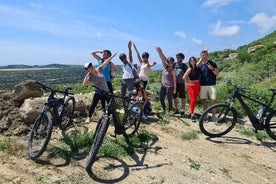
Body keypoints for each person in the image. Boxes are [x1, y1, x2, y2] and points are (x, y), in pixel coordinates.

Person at [83, 52, 117, 123]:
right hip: (98, 92)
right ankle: (89, 117)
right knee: (93, 104)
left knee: (110, 104)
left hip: (106, 90)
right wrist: (86, 76)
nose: (90, 67)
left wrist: (113, 56)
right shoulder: (90, 77)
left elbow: (106, 61)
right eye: (88, 67)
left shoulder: (99, 69)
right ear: (87, 70)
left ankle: (111, 117)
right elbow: (85, 85)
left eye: (90, 65)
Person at [196, 50, 219, 120]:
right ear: (200, 57)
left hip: (212, 85)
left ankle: (214, 116)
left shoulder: (212, 63)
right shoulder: (200, 66)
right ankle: (205, 114)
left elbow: (217, 73)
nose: (204, 56)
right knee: (204, 100)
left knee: (213, 100)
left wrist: (212, 68)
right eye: (202, 55)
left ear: (207, 56)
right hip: (202, 85)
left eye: (205, 55)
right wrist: (200, 60)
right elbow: (195, 66)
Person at [156, 46, 176, 113]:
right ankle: (164, 109)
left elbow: (174, 81)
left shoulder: (173, 71)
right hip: (163, 86)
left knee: (169, 99)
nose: (170, 64)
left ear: (173, 63)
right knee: (161, 98)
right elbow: (163, 59)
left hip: (170, 87)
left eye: (171, 62)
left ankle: (170, 110)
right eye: (169, 62)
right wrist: (160, 52)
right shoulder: (165, 68)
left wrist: (175, 89)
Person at [183, 56, 201, 122]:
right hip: (192, 86)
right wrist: (188, 83)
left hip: (197, 84)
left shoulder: (196, 67)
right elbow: (184, 77)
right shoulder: (189, 69)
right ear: (189, 62)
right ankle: (192, 115)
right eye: (191, 60)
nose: (192, 61)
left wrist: (204, 53)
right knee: (193, 100)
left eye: (193, 60)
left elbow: (200, 61)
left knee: (195, 99)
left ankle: (192, 111)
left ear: (195, 61)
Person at [119, 41, 136, 107]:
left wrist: (129, 48)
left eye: (123, 58)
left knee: (130, 94)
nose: (123, 59)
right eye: (121, 59)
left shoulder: (130, 64)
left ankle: (130, 107)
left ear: (126, 58)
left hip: (130, 80)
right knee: (122, 94)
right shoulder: (123, 66)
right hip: (124, 80)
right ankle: (124, 107)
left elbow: (130, 57)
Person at [173, 53, 188, 117]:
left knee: (183, 97)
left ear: (182, 58)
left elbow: (188, 73)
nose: (177, 58)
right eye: (177, 57)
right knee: (174, 97)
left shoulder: (184, 66)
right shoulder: (174, 65)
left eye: (178, 57)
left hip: (181, 83)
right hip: (174, 83)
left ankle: (183, 110)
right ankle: (176, 109)